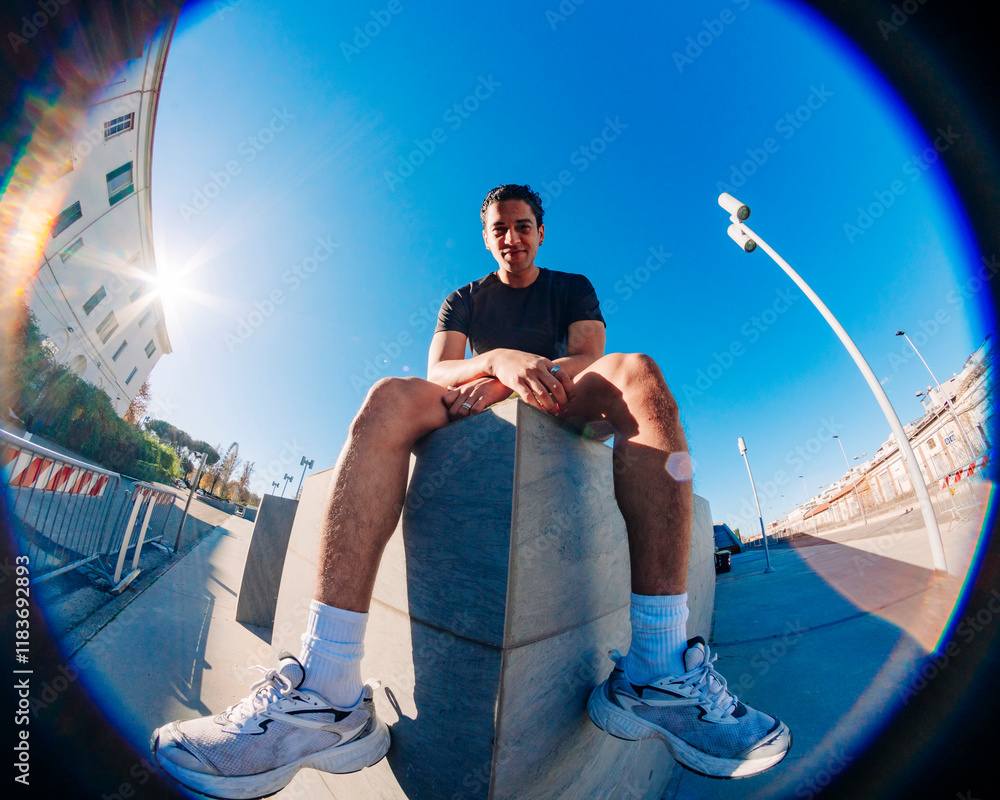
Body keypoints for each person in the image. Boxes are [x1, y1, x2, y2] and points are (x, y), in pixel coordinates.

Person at [151, 184, 791, 798]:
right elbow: (440, 370)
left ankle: (658, 668)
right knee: (387, 396)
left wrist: (514, 377)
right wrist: (496, 360)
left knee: (640, 372)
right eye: (499, 229)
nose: (512, 238)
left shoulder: (571, 287)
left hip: (562, 397)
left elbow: (589, 358)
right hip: (474, 396)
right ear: (487, 239)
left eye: (523, 227)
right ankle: (326, 687)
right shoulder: (463, 298)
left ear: (540, 233)